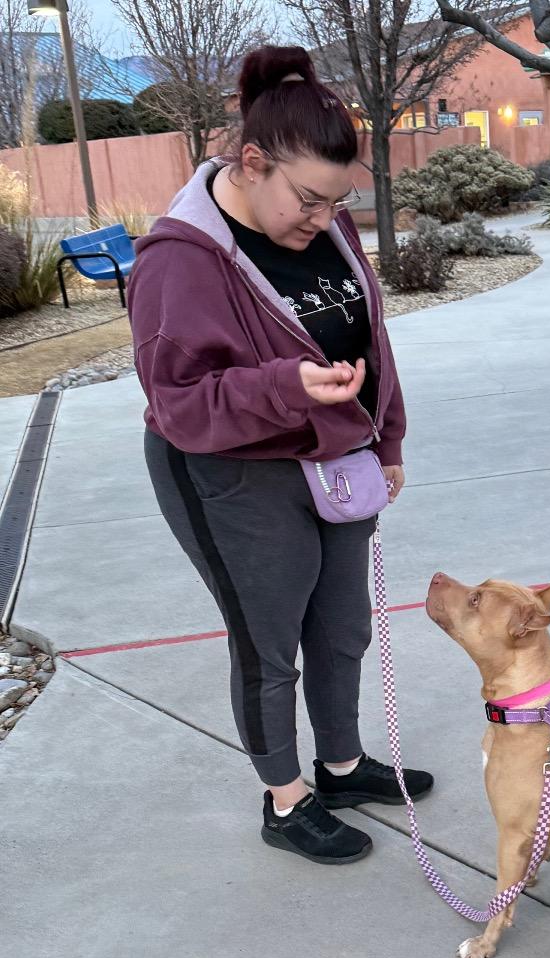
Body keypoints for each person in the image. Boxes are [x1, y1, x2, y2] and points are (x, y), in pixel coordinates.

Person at [127, 46, 433, 867]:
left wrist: (387, 433)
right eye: (308, 199)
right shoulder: (178, 258)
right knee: (269, 644)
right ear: (250, 162)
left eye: (338, 203)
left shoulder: (324, 221)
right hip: (230, 472)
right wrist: (286, 387)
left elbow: (369, 333)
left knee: (341, 629)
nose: (322, 218)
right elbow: (178, 402)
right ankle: (285, 799)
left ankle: (339, 766)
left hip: (334, 456)